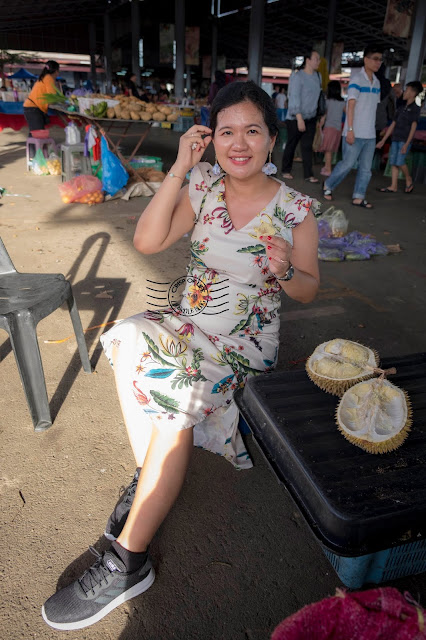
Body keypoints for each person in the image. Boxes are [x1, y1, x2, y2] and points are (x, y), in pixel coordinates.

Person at [41, 80, 320, 631]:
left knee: (170, 396)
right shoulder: (203, 186)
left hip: (242, 345)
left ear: (270, 139)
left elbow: (308, 289)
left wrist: (286, 267)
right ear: (210, 138)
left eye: (252, 131)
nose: (239, 143)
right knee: (125, 335)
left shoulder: (295, 210)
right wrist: (179, 168)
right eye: (226, 132)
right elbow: (146, 241)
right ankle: (151, 469)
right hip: (187, 322)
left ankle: (128, 560)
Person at [322, 45, 383, 209]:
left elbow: (373, 108)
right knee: (347, 164)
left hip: (370, 134)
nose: (379, 62)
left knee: (366, 169)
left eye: (380, 59)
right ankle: (328, 185)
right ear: (366, 59)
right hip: (354, 132)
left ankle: (359, 196)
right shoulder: (357, 80)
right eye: (375, 59)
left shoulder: (376, 82)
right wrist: (349, 130)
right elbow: (350, 106)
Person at [281, 49, 322, 183]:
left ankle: (308, 174)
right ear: (308, 60)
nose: (318, 61)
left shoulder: (318, 76)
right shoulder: (298, 77)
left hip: (311, 117)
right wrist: (299, 118)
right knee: (292, 144)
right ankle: (285, 170)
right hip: (295, 118)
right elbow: (294, 97)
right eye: (316, 58)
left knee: (307, 146)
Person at [376, 80, 423, 194]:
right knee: (393, 162)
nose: (404, 92)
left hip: (404, 139)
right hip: (396, 138)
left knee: (400, 161)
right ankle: (393, 186)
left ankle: (408, 178)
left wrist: (407, 143)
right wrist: (384, 140)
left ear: (413, 93)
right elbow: (393, 124)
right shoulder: (401, 107)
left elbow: (413, 127)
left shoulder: (415, 109)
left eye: (406, 90)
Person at [23, 60, 60, 132]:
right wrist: (60, 100)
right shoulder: (49, 78)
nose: (58, 74)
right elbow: (52, 97)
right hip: (33, 108)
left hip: (31, 107)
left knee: (34, 134)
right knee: (38, 134)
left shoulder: (44, 77)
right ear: (56, 71)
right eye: (58, 71)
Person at [319, 80, 346, 176]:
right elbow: (348, 113)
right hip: (338, 129)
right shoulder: (343, 102)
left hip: (329, 127)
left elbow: (324, 116)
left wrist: (319, 126)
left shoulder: (327, 102)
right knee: (329, 150)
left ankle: (328, 169)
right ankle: (327, 167)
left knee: (328, 150)